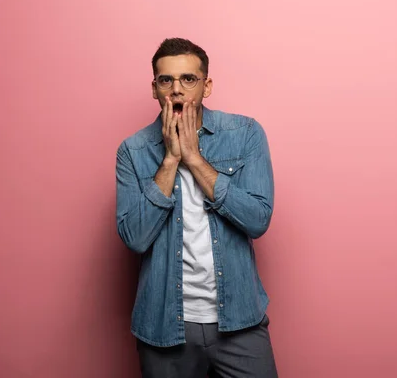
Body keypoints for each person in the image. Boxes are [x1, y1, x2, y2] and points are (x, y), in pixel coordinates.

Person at [115, 37, 278, 378]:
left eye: (188, 79)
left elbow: (258, 219)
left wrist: (194, 158)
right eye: (166, 80)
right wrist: (173, 158)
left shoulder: (246, 134)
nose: (177, 90)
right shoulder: (133, 150)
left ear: (206, 87)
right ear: (154, 89)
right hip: (164, 326)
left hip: (239, 322)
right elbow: (135, 238)